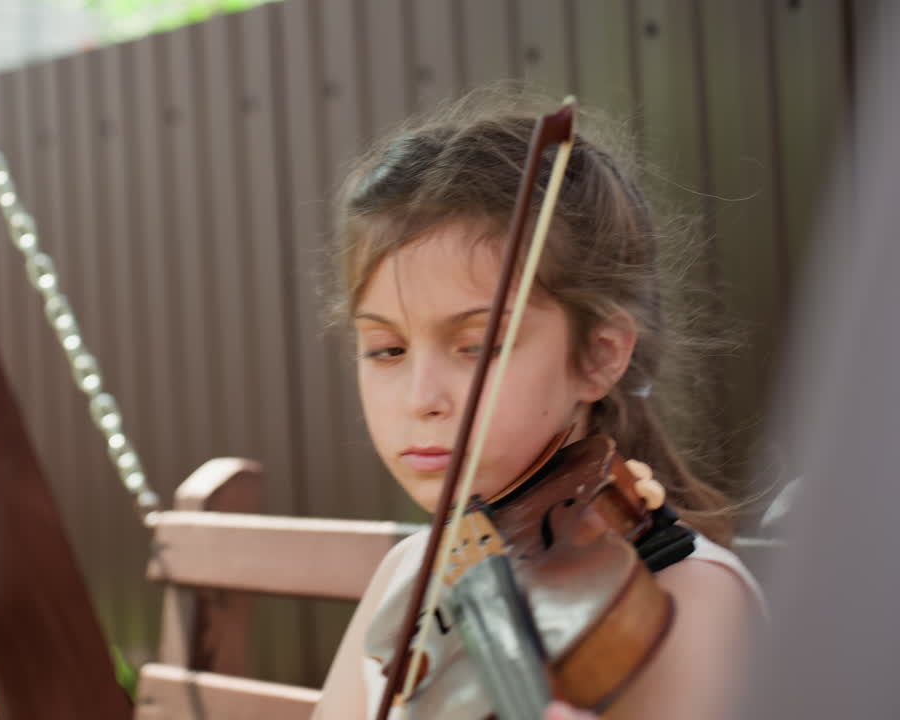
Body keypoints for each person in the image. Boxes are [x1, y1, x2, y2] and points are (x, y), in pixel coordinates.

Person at [312, 90, 765, 720]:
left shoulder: (687, 601)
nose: (421, 400)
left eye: (479, 345)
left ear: (599, 355)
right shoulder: (411, 576)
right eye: (387, 350)